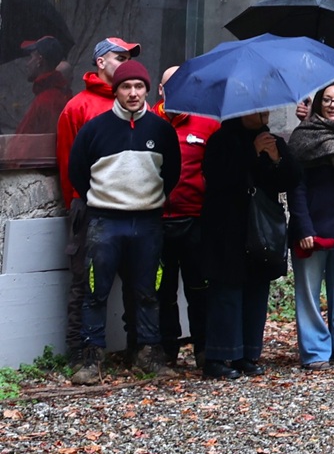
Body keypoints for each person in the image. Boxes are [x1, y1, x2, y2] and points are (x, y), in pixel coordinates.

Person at [65, 59, 181, 384]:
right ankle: (91, 358)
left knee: (148, 291)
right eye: (126, 87)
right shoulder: (95, 128)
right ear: (115, 90)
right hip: (104, 222)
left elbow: (170, 173)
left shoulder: (161, 130)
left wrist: (146, 200)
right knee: (94, 291)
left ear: (147, 89)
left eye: (139, 87)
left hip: (147, 224)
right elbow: (77, 172)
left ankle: (147, 354)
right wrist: (106, 200)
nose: (133, 93)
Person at [56, 37, 138, 367]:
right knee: (87, 282)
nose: (126, 62)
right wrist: (78, 205)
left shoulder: (135, 105)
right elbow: (67, 164)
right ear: (101, 62)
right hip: (89, 207)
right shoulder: (78, 107)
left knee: (138, 280)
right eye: (120, 57)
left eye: (130, 57)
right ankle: (82, 354)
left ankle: (139, 349)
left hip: (134, 207)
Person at [201, 110, 300, 379]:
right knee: (227, 292)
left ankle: (247, 353)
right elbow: (217, 178)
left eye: (265, 110)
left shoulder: (274, 141)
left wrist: (277, 159)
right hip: (227, 228)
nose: (262, 115)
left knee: (257, 290)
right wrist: (252, 153)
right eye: (256, 111)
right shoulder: (221, 140)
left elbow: (290, 180)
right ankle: (220, 355)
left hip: (261, 229)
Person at [286, 81, 334, 369]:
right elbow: (296, 187)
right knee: (308, 294)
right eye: (328, 99)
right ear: (318, 103)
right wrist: (304, 227)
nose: (333, 105)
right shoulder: (304, 136)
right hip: (311, 227)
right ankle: (315, 352)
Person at [157, 65, 217, 370]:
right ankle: (166, 350)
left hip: (195, 220)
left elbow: (219, 170)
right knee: (162, 291)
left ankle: (204, 349)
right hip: (156, 222)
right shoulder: (147, 123)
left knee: (199, 288)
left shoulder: (207, 125)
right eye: (172, 86)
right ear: (161, 91)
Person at [17, 36, 70, 138]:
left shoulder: (47, 100)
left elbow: (30, 144)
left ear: (39, 60)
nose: (27, 64)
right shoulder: (53, 95)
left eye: (31, 57)